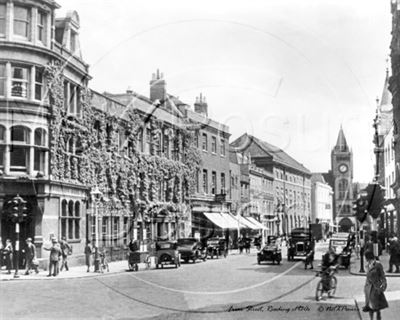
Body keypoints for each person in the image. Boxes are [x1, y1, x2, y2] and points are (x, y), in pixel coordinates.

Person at [363, 250, 388, 320]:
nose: (365, 259)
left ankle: (378, 318)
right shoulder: (367, 265)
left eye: (366, 257)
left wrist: (383, 285)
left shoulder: (378, 264)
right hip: (368, 288)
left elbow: (382, 276)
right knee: (370, 306)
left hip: (376, 288)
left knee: (377, 307)